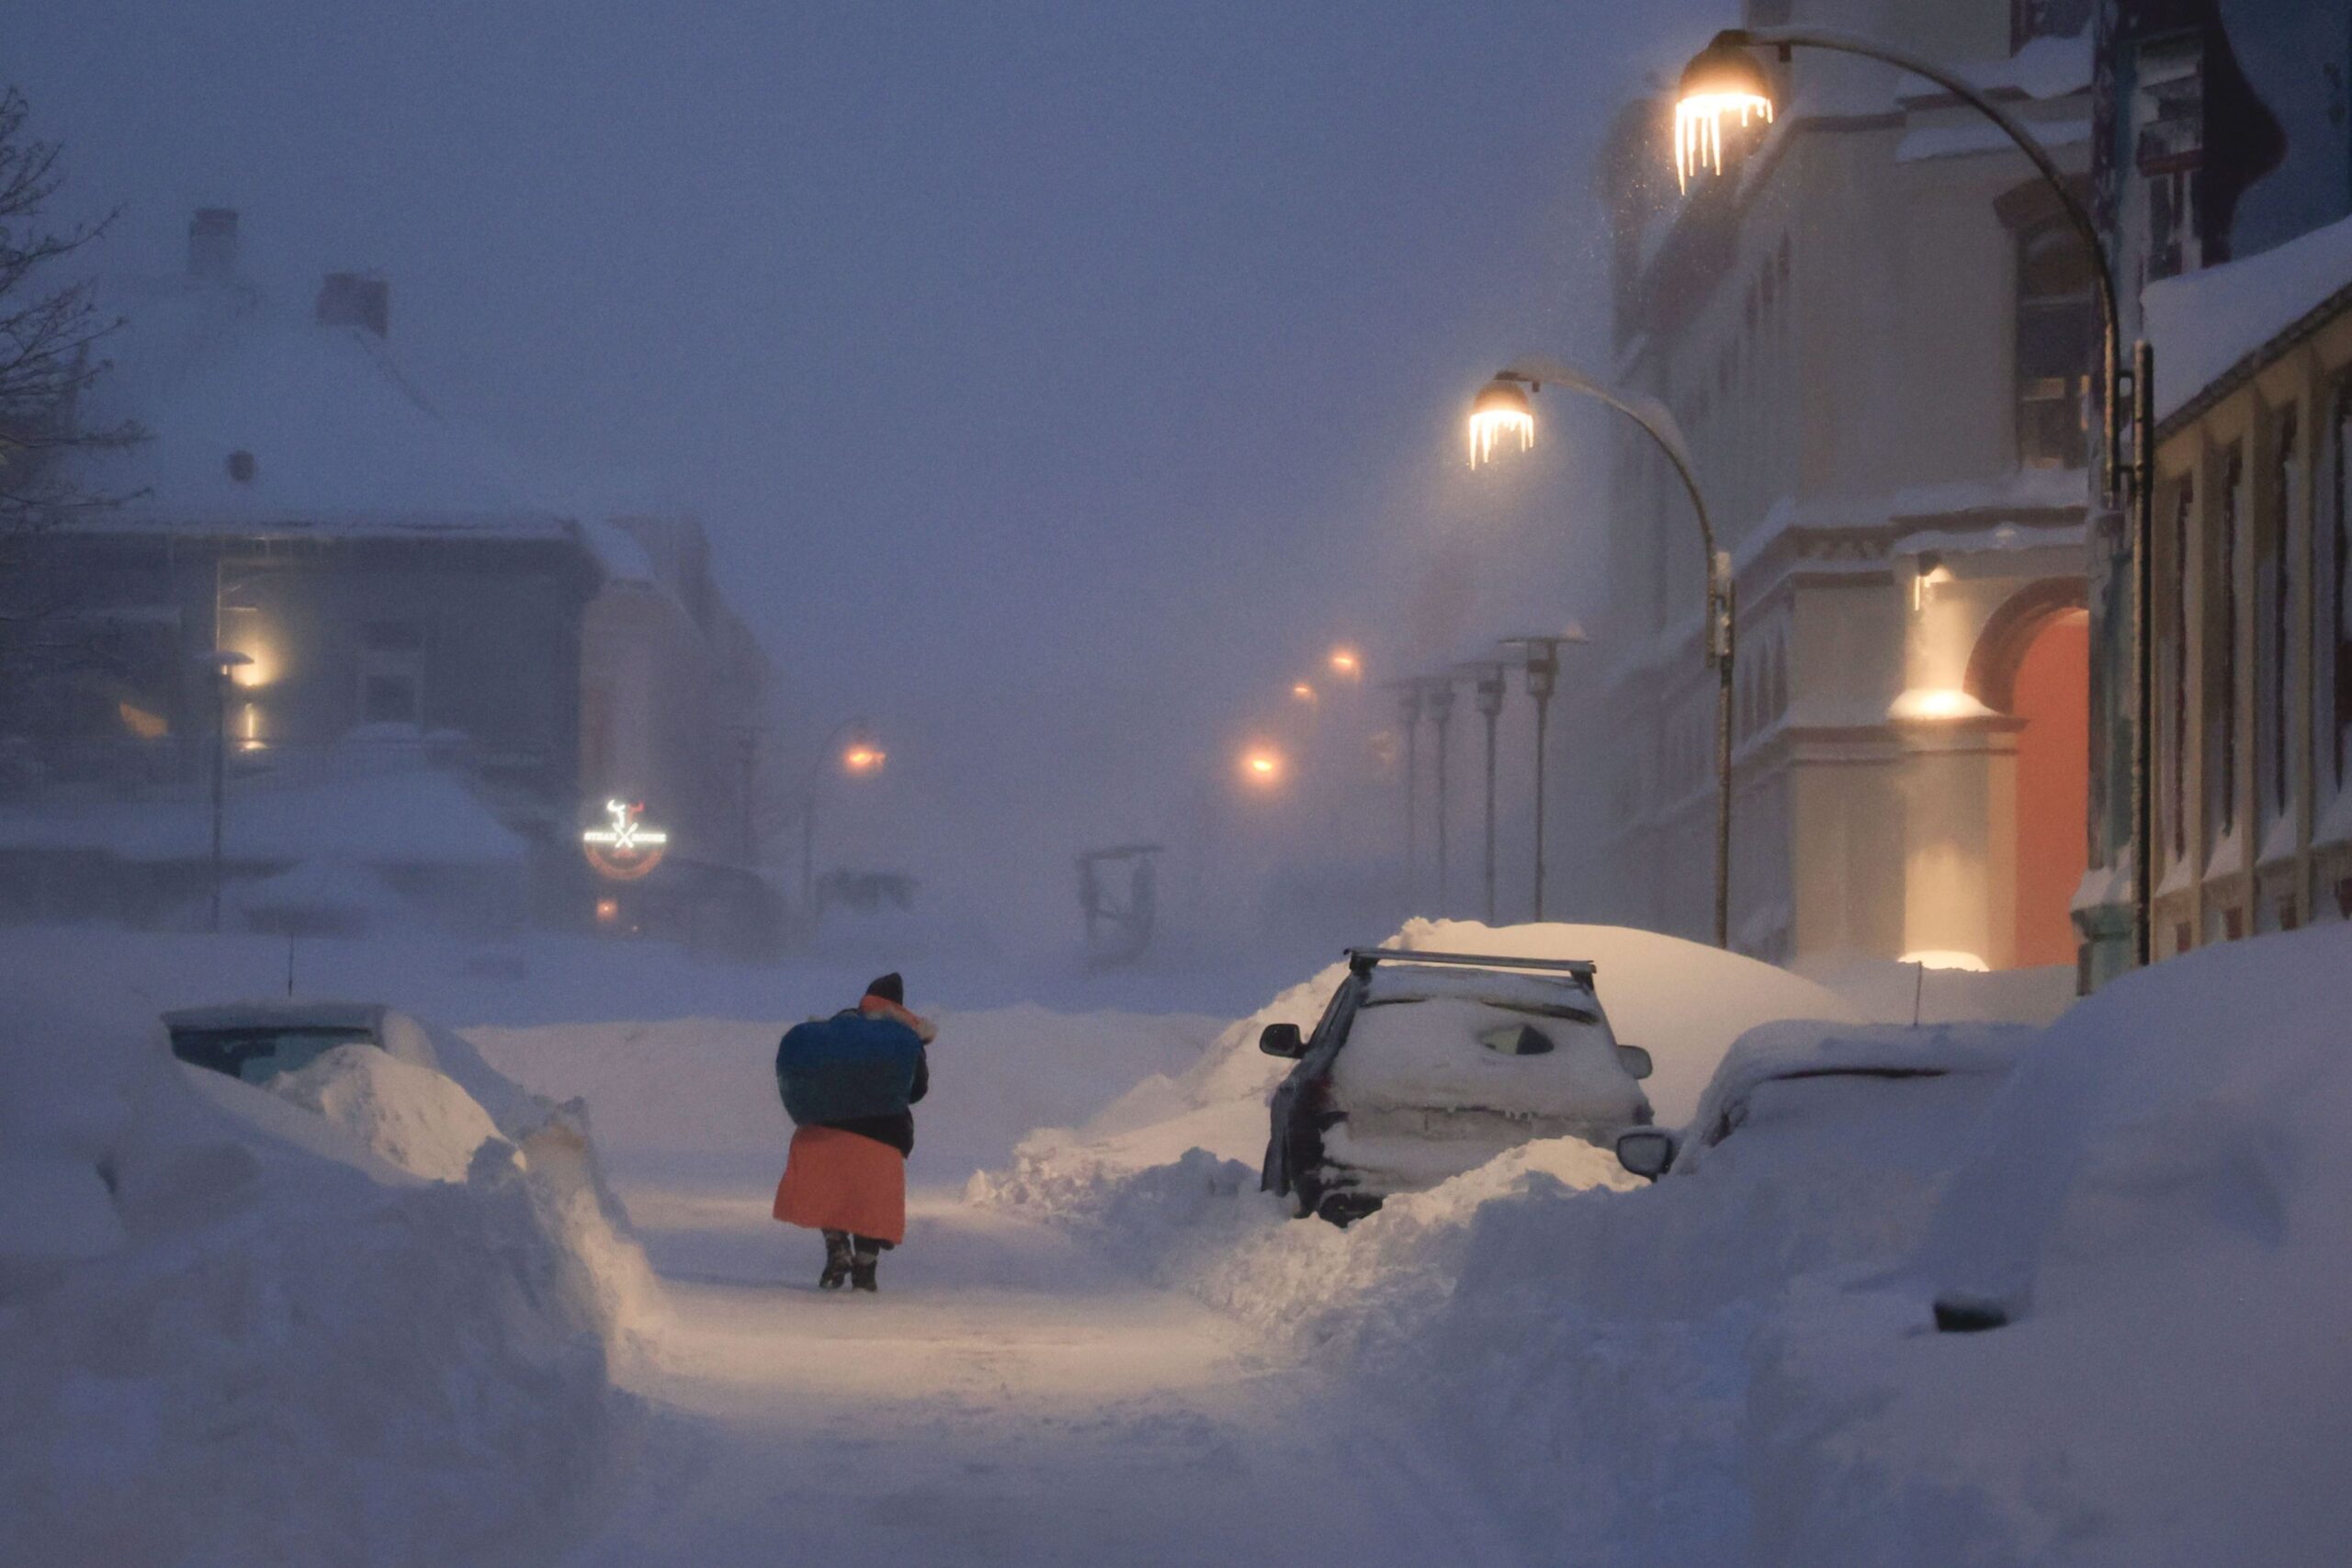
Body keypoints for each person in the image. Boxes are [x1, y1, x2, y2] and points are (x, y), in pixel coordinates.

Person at [771, 973, 936, 1292]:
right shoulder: (903, 1037)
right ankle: (864, 1266)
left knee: (829, 1193)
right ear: (897, 1005)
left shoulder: (838, 1028)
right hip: (882, 1135)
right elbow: (917, 1089)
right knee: (870, 1202)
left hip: (826, 1129)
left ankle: (837, 1248)